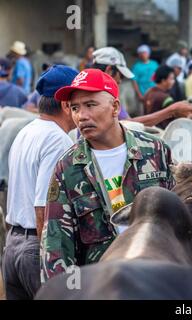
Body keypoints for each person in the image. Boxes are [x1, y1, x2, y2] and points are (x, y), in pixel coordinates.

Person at [40, 68, 175, 281]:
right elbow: (56, 246)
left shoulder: (155, 151)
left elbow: (178, 220)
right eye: (75, 108)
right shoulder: (68, 168)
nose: (81, 116)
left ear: (115, 107)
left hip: (155, 280)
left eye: (90, 105)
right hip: (101, 286)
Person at [2, 65, 78, 299]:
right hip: (36, 248)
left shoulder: (27, 131)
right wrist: (49, 259)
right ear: (66, 105)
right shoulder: (57, 140)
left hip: (13, 246)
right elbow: (43, 206)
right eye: (79, 103)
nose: (83, 111)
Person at [92, 47, 192, 126]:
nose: (119, 81)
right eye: (121, 76)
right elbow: (126, 125)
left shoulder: (150, 92)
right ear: (109, 71)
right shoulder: (101, 97)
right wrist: (171, 111)